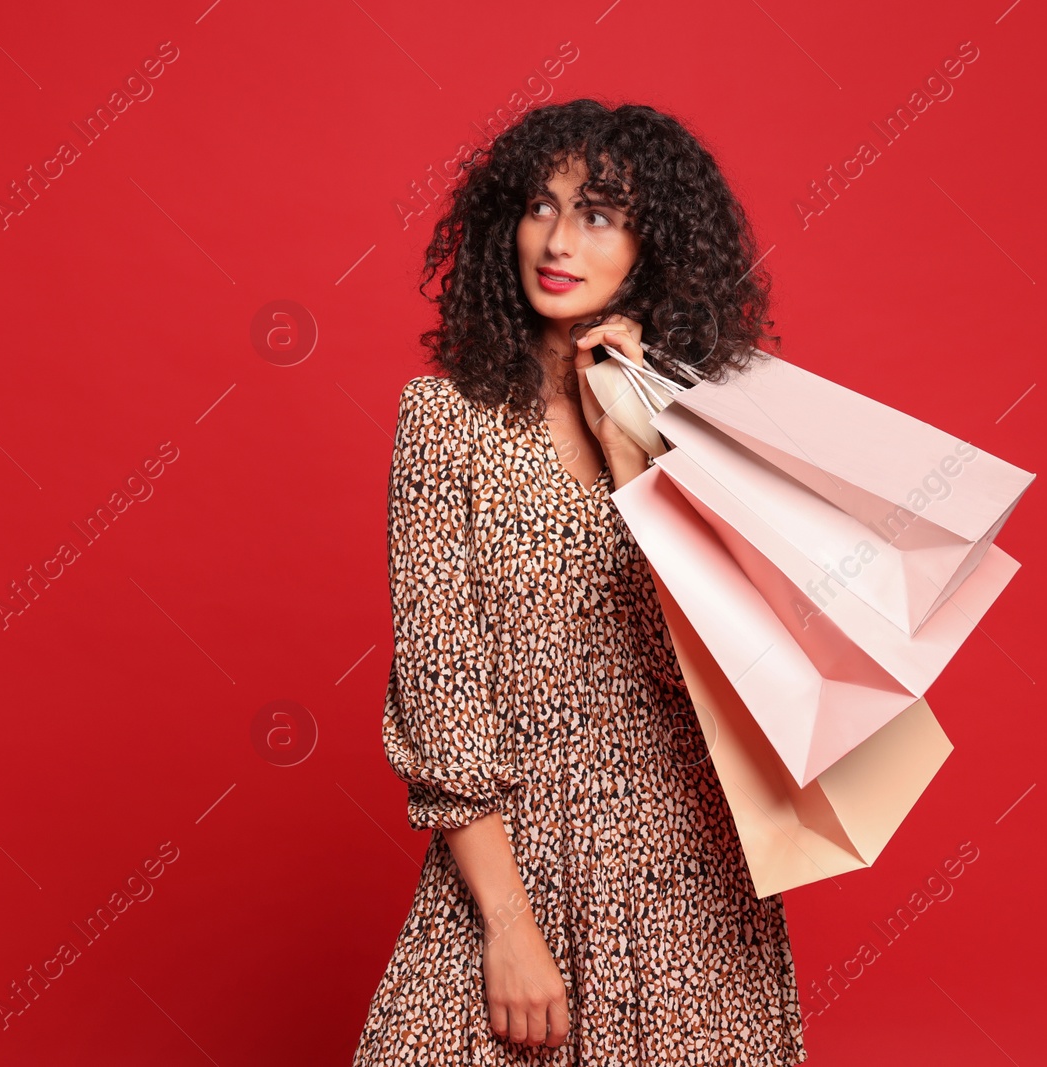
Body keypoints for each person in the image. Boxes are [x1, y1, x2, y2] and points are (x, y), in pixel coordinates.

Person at [352, 98, 807, 1066]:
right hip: (514, 852)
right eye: (539, 206)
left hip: (691, 863)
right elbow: (442, 686)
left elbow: (744, 652)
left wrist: (633, 447)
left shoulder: (708, 426)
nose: (557, 239)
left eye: (597, 213)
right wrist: (509, 929)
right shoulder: (445, 421)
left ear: (653, 246)